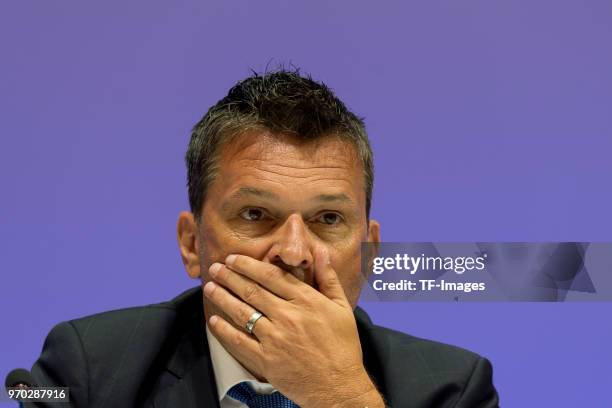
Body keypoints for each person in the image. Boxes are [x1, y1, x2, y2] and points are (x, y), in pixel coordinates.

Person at [30, 69, 499, 407]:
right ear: (192, 244)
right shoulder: (90, 370)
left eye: (329, 219)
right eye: (255, 214)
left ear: (368, 252)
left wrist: (340, 396)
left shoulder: (453, 390)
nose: (294, 252)